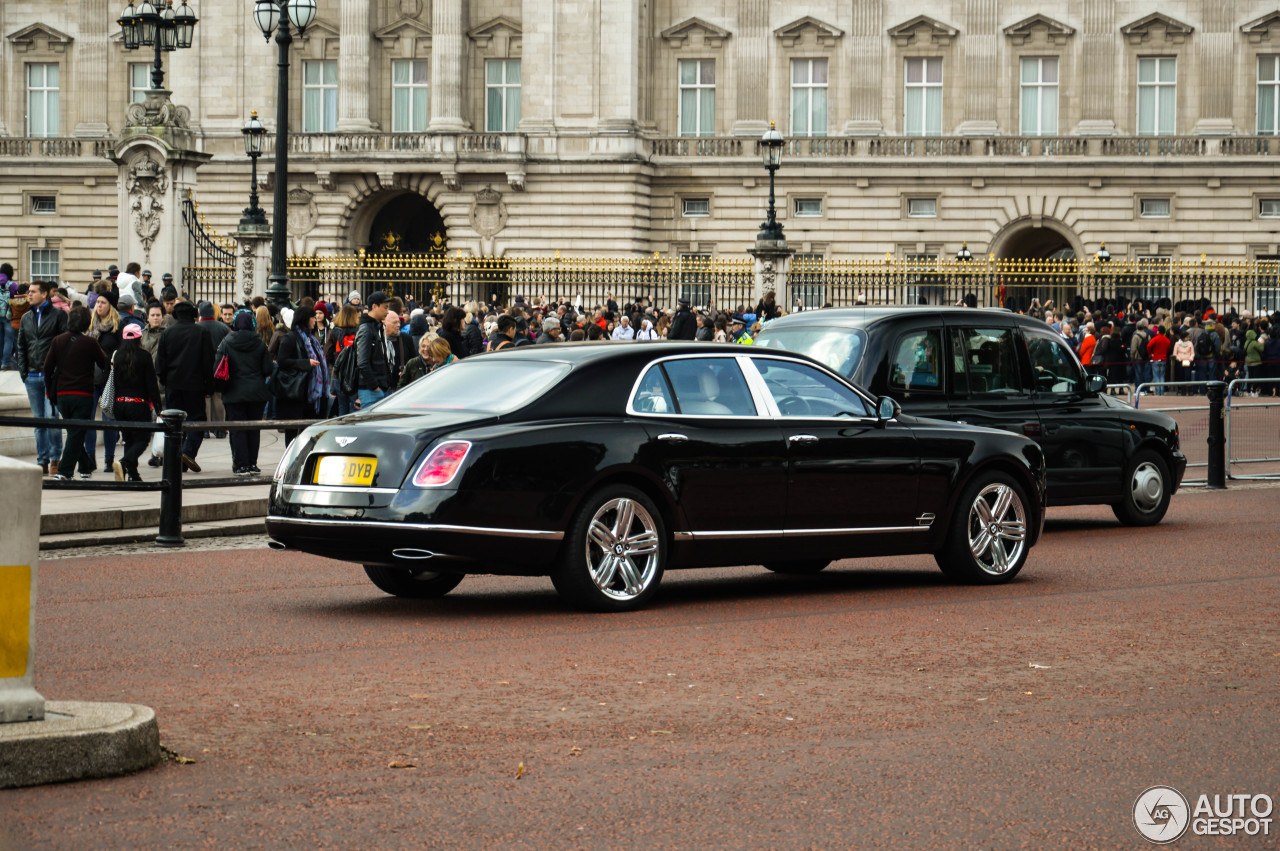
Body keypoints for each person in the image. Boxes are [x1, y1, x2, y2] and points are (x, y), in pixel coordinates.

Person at [43, 305, 107, 480]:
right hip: (84, 394)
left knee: (74, 432)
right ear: (87, 323)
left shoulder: (57, 340)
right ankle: (65, 471)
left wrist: (50, 391)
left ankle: (86, 466)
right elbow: (105, 365)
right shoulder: (91, 342)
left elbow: (47, 368)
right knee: (77, 432)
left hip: (62, 395)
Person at [14, 280, 68, 475]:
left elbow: (64, 344)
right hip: (32, 376)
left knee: (51, 418)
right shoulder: (27, 317)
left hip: (50, 377)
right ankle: (42, 460)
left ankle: (55, 459)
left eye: (33, 292)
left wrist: (57, 372)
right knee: (38, 422)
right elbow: (20, 345)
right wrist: (24, 372)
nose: (29, 295)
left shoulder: (59, 315)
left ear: (44, 294)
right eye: (29, 291)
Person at [155, 300, 213, 472]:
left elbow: (160, 362)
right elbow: (208, 362)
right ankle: (187, 452)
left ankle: (177, 458)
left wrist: (165, 379)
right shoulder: (202, 333)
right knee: (197, 421)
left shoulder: (168, 333)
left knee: (175, 423)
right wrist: (209, 386)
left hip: (173, 384)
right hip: (195, 385)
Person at [218, 311, 272, 475]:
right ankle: (252, 463)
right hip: (256, 392)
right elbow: (268, 368)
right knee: (253, 428)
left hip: (233, 392)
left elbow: (218, 366)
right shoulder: (260, 342)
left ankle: (240, 464)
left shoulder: (226, 342)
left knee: (237, 429)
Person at [108, 323, 163, 482]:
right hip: (138, 404)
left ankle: (133, 475)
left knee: (129, 439)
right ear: (139, 338)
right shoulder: (144, 356)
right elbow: (151, 385)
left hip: (120, 404)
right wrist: (158, 407)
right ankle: (124, 463)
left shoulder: (117, 356)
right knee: (143, 438)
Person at [275, 305, 328, 445]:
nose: (315, 320)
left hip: (310, 394)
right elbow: (282, 361)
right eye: (312, 317)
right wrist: (305, 363)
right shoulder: (291, 338)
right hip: (296, 392)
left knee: (309, 431)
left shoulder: (312, 338)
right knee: (292, 433)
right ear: (304, 319)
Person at [86, 294, 123, 473]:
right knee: (89, 420)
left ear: (111, 306)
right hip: (90, 378)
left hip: (109, 379)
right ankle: (90, 458)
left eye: (103, 303)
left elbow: (122, 352)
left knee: (109, 420)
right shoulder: (89, 324)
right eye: (98, 302)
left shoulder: (117, 327)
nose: (99, 305)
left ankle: (109, 459)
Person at [355, 291, 393, 409]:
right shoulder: (366, 329)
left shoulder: (376, 327)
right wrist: (375, 386)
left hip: (379, 388)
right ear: (374, 307)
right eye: (385, 307)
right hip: (371, 391)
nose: (387, 312)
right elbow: (362, 362)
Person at [325, 303, 360, 416]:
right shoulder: (358, 332)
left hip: (338, 374)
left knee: (342, 406)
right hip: (354, 375)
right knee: (354, 406)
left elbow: (327, 354)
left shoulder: (334, 333)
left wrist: (336, 363)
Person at [384, 309, 413, 385]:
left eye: (399, 322)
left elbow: (414, 363)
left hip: (402, 388)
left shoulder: (406, 339)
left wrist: (407, 372)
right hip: (383, 389)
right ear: (384, 323)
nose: (398, 325)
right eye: (395, 322)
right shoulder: (378, 339)